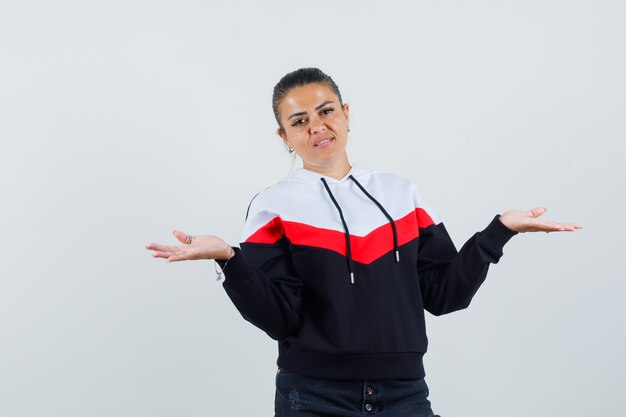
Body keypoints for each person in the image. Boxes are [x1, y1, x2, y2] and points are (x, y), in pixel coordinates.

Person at [146, 68, 581, 417]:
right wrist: (230, 258)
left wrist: (498, 231)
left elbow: (445, 294)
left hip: (406, 394)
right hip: (313, 398)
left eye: (326, 111)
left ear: (346, 112)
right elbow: (279, 319)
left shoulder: (401, 193)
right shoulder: (272, 206)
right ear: (284, 137)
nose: (317, 126)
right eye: (300, 121)